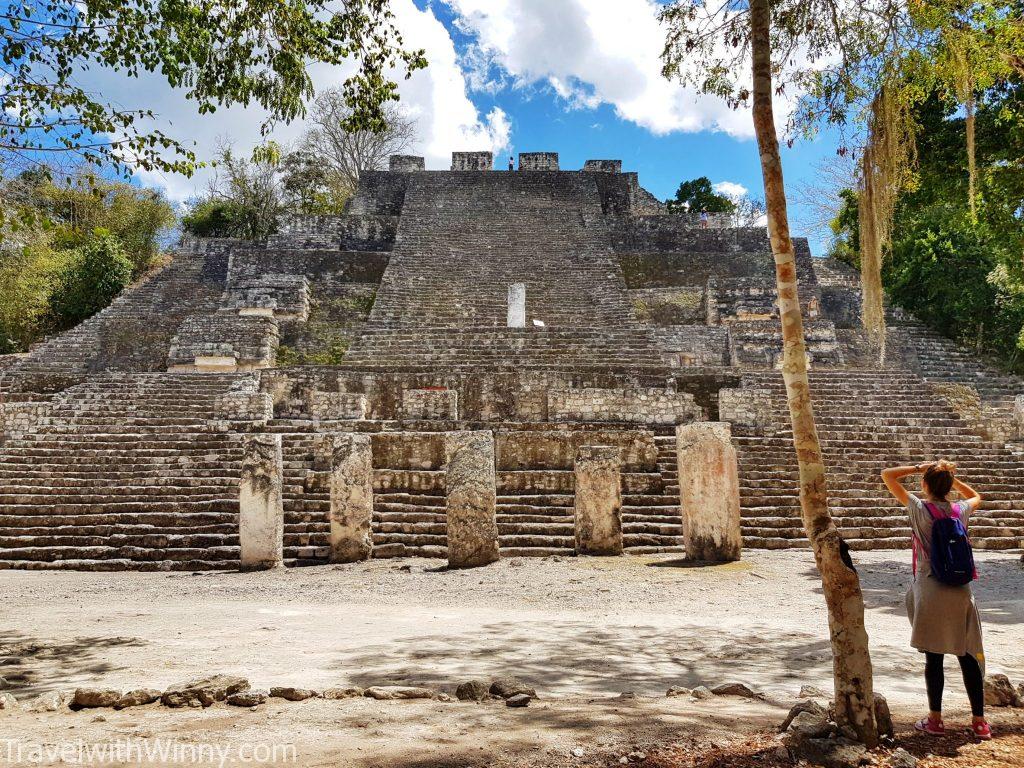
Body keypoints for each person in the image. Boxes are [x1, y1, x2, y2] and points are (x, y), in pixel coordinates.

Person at [881, 460, 991, 740]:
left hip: (930, 587)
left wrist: (924, 466)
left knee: (934, 657)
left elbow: (887, 475)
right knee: (967, 655)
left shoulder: (920, 508)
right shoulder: (959, 510)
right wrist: (952, 479)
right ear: (947, 487)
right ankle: (980, 723)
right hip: (961, 589)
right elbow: (976, 497)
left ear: (925, 485)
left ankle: (935, 720)